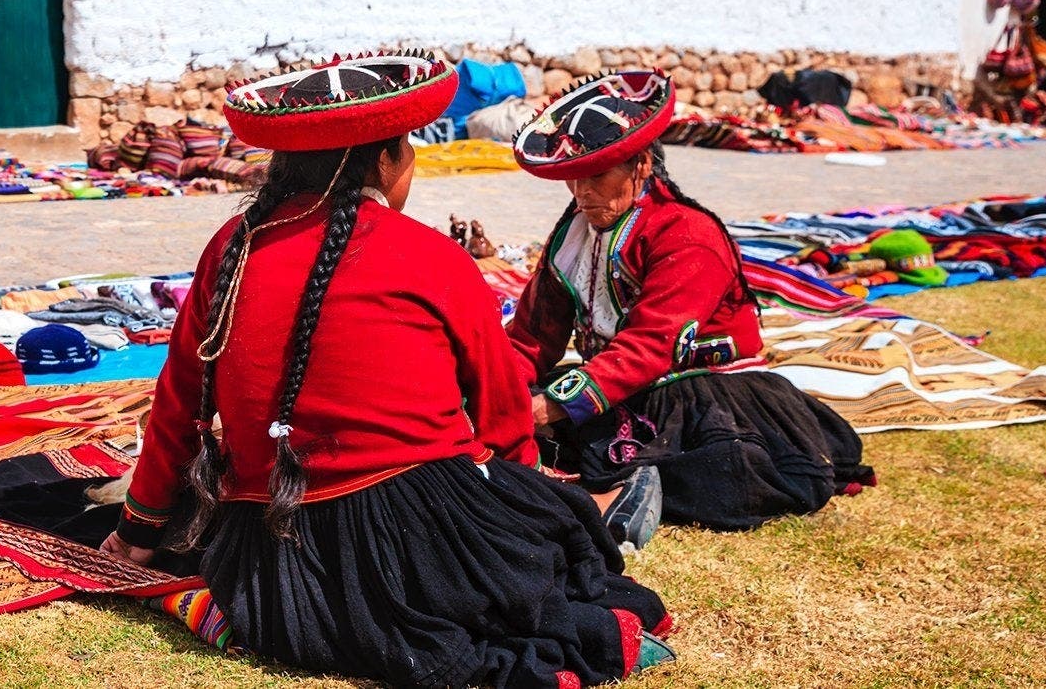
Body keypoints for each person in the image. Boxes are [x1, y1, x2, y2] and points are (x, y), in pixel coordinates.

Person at [99, 51, 671, 688]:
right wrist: (521, 508)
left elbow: (180, 400)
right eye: (409, 150)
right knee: (559, 541)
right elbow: (502, 414)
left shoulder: (230, 247)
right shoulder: (430, 255)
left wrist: (140, 528)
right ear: (383, 161)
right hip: (418, 537)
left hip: (267, 557)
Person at [508, 71, 876, 536]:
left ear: (640, 164)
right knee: (520, 428)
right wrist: (500, 390)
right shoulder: (573, 235)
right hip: (619, 382)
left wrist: (545, 409)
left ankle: (619, 492)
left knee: (727, 469)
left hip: (702, 390)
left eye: (596, 177)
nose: (581, 194)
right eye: (573, 180)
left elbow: (651, 346)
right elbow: (532, 336)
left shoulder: (686, 234)